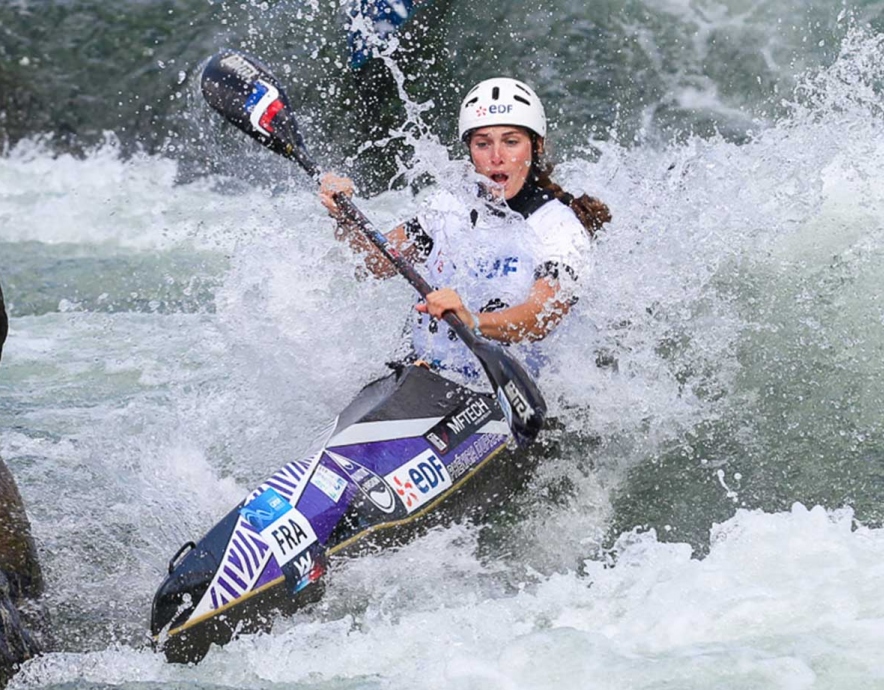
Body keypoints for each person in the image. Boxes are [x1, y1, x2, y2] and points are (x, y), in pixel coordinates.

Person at [320, 77, 611, 380]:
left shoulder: (560, 226)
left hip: (512, 390)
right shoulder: (449, 208)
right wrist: (342, 217)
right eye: (483, 144)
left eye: (511, 142)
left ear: (535, 147)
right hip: (425, 376)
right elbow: (372, 264)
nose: (496, 157)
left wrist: (471, 320)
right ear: (470, 152)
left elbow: (541, 316)